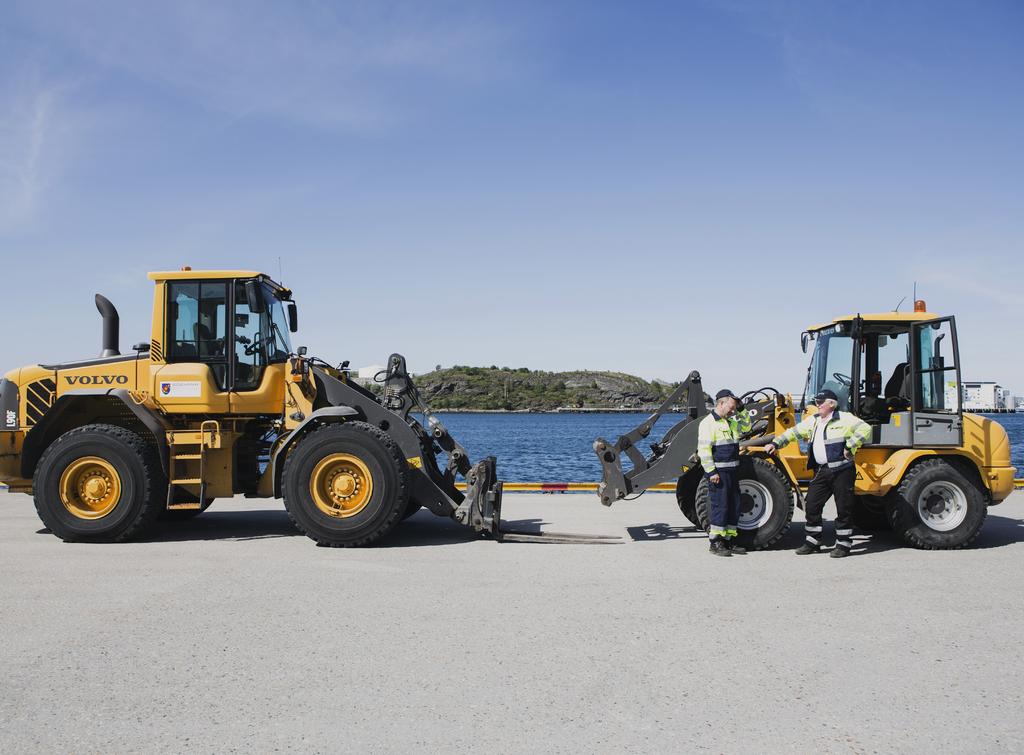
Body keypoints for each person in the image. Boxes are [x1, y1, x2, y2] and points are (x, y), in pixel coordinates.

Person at [766, 389, 872, 558]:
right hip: (822, 470)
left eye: (821, 401)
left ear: (832, 404)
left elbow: (866, 429)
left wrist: (850, 446)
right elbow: (794, 432)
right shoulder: (814, 421)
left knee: (844, 509)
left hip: (842, 471)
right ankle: (813, 542)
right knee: (812, 505)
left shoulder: (844, 418)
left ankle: (843, 545)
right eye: (817, 401)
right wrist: (776, 443)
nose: (818, 404)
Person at [696, 389, 751, 557]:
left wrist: (742, 410)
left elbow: (747, 426)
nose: (733, 411)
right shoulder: (708, 423)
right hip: (718, 473)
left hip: (732, 472)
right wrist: (711, 472)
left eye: (735, 408)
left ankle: (729, 540)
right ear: (721, 403)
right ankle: (716, 542)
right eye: (731, 407)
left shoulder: (730, 422)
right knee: (720, 506)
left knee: (734, 506)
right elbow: (704, 451)